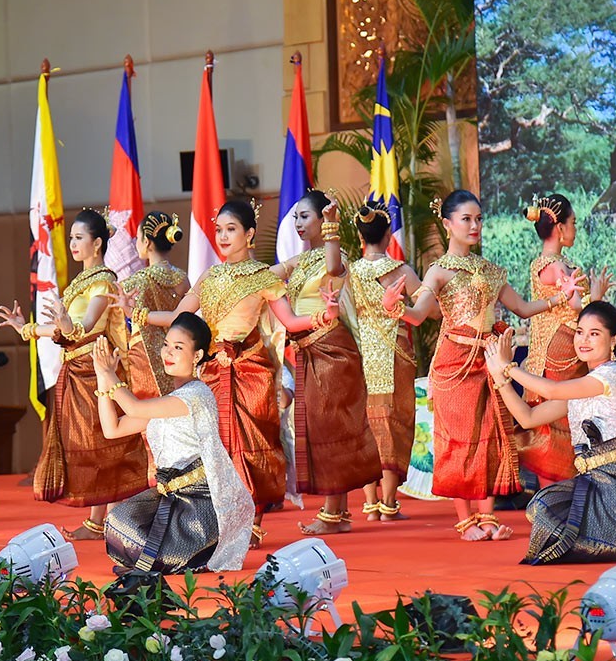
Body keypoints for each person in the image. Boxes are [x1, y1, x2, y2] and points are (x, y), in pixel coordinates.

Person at [120, 200, 331, 547]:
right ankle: (218, 516)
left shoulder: (263, 276)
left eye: (230, 229)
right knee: (214, 443)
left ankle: (253, 518)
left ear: (249, 235)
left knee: (252, 443)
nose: (222, 236)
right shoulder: (210, 276)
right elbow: (178, 318)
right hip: (213, 371)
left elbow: (291, 321)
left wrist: (324, 316)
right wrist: (138, 314)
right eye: (218, 230)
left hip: (250, 370)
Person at [384, 190, 580, 541]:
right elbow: (416, 316)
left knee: (491, 437)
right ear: (447, 224)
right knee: (459, 440)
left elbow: (521, 308)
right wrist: (394, 307)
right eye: (466, 219)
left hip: (490, 361)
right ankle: (466, 521)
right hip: (453, 364)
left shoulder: (490, 271)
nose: (475, 226)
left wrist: (559, 298)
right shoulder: (439, 272)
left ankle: (487, 518)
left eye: (478, 219)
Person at [0, 209, 149, 540]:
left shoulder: (104, 281)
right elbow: (64, 328)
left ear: (97, 243)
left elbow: (87, 324)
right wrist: (28, 329)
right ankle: (98, 522)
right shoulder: (79, 282)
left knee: (107, 445)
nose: (72, 243)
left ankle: (114, 521)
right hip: (77, 371)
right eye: (70, 238)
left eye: (79, 238)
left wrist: (65, 328)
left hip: (98, 371)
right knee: (90, 445)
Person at [484, 302, 616, 564]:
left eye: (594, 333)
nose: (583, 340)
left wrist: (509, 367)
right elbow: (528, 418)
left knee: (580, 543)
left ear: (614, 339)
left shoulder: (613, 375)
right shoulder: (580, 387)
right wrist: (500, 378)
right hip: (591, 481)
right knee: (543, 511)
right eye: (579, 332)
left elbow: (551, 391)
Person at [97, 313, 255, 573]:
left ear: (196, 356)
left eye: (178, 347)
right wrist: (103, 379)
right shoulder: (171, 399)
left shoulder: (196, 395)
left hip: (199, 504)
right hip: (170, 495)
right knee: (117, 521)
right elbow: (112, 429)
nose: (168, 353)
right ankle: (154, 560)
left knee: (150, 549)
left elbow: (134, 406)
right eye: (166, 345)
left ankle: (172, 558)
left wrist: (110, 376)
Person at [270, 191, 381, 534]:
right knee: (322, 429)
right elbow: (264, 278)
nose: (299, 224)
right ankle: (339, 512)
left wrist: (333, 226)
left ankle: (333, 514)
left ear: (321, 219)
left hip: (331, 351)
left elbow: (334, 268)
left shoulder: (335, 254)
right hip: (308, 351)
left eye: (305, 217)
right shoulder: (299, 262)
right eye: (296, 218)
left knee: (329, 429)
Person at [518, 194, 611, 486]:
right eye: (573, 222)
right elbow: (575, 308)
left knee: (562, 419)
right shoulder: (556, 267)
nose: (576, 228)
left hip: (562, 346)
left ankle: (558, 497)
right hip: (559, 349)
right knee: (560, 422)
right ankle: (555, 499)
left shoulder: (551, 262)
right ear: (559, 227)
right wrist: (595, 298)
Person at [346, 202, 429, 521]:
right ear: (388, 234)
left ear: (359, 234)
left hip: (362, 352)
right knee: (395, 422)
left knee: (368, 425)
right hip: (396, 352)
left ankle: (369, 502)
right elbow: (427, 307)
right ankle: (389, 503)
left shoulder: (349, 272)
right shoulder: (400, 270)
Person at [121, 211, 190, 399]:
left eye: (137, 238)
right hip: (178, 355)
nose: (136, 243)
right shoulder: (182, 279)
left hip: (145, 359)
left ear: (147, 242)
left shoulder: (135, 282)